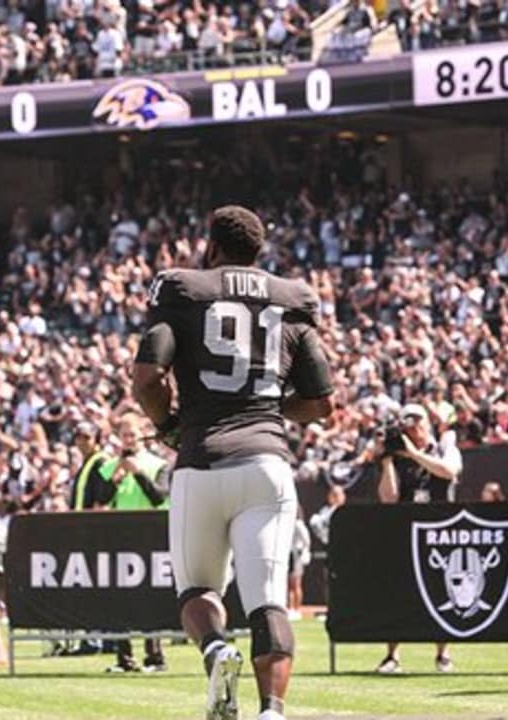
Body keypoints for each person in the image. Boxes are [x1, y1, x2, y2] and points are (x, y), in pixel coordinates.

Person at [132, 205, 334, 720]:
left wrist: (168, 425)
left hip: (201, 461)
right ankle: (272, 709)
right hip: (267, 463)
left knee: (198, 589)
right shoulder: (293, 300)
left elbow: (148, 379)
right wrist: (268, 405)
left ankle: (217, 649)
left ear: (212, 245)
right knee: (268, 599)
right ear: (258, 249)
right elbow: (321, 405)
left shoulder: (182, 289)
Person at [374, 402, 463, 674]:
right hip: (406, 529)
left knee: (441, 589)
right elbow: (388, 497)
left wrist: (414, 453)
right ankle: (392, 656)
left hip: (441, 529)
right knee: (397, 592)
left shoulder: (444, 447)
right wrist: (388, 460)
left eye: (418, 424)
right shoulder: (399, 458)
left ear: (428, 423)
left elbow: (449, 471)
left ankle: (443, 654)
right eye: (409, 426)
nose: (414, 430)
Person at [107, 415, 171, 673]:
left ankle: (155, 657)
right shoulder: (111, 465)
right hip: (120, 537)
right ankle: (124, 658)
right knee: (120, 600)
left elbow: (158, 497)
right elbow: (100, 499)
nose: (129, 440)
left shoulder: (159, 465)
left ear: (142, 435)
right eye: (124, 435)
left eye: (133, 435)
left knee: (149, 598)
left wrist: (137, 472)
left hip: (149, 538)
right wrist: (115, 479)